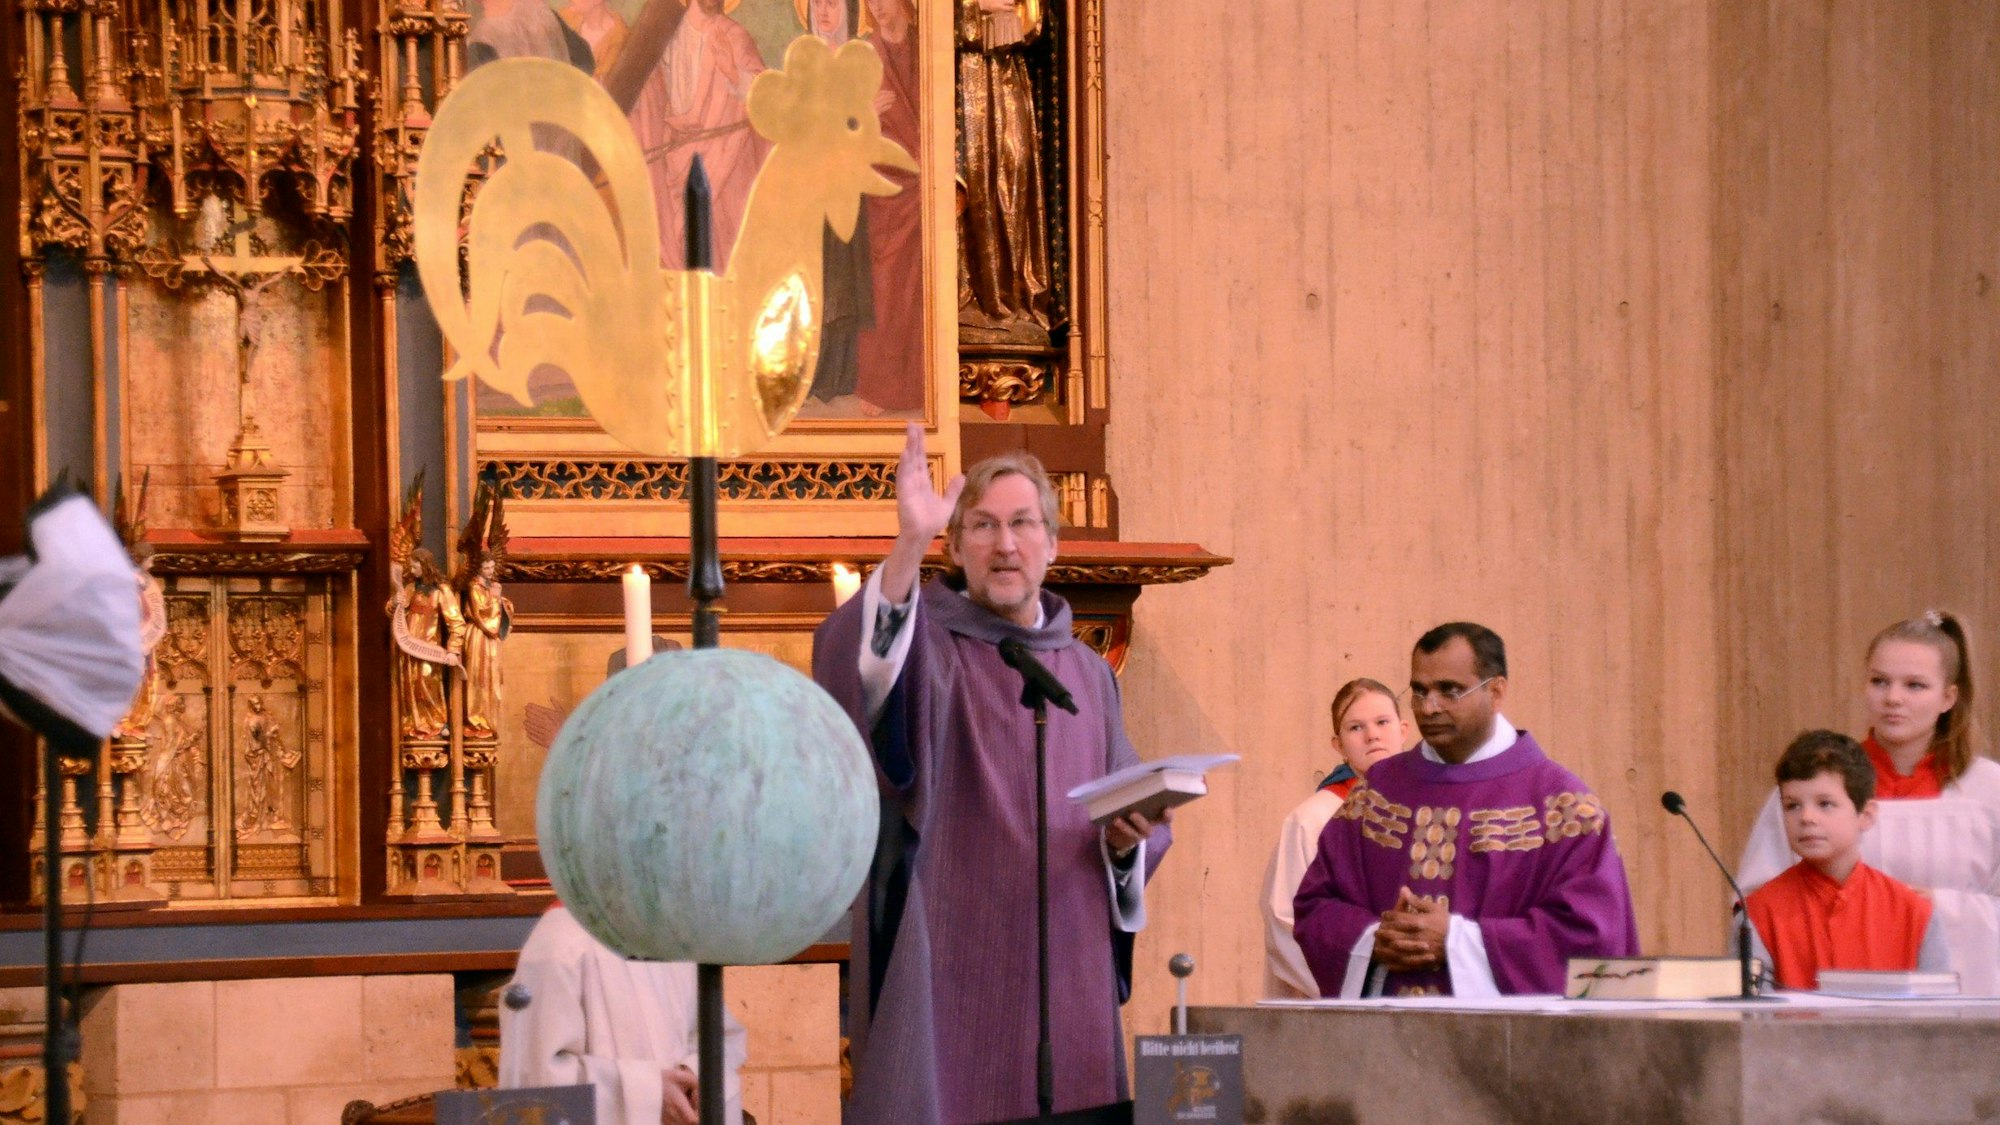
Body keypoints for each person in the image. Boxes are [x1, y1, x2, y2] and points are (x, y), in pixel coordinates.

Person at [813, 424, 1171, 1124]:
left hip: (1066, 961)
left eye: (1021, 523)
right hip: (952, 954)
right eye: (982, 525)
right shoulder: (932, 645)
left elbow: (1131, 814)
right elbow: (861, 668)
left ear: (1053, 543)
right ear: (955, 546)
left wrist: (1130, 844)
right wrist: (906, 544)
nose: (1005, 544)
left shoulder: (1090, 674)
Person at [1292, 623, 1639, 997]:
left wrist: (1458, 941)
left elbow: (1594, 941)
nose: (1429, 707)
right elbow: (1317, 906)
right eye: (1420, 691)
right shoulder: (1377, 792)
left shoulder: (1564, 808)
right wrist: (1371, 940)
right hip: (1385, 1043)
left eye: (1450, 691)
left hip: (1506, 1049)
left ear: (1496, 691)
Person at [1739, 611, 2000, 993]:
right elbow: (1757, 903)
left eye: (1914, 685)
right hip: (1825, 998)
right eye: (1880, 682)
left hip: (1969, 1002)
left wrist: (1935, 909)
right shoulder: (1819, 786)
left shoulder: (1988, 790)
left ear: (1948, 697)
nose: (1893, 698)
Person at [500, 904, 748, 1125]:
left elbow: (719, 1037)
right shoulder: (557, 942)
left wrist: (693, 1075)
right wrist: (650, 1095)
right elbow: (534, 1083)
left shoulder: (671, 936)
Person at [1744, 730, 1945, 990]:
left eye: (1825, 804)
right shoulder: (1759, 915)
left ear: (1866, 815)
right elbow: (1751, 1023)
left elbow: (1938, 1021)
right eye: (1792, 805)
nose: (1806, 818)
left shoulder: (1914, 913)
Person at [1260, 678, 1409, 999]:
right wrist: (1362, 992)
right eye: (1356, 727)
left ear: (1404, 730)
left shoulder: (1427, 813)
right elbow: (1286, 922)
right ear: (1338, 745)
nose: (1372, 735)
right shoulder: (1312, 821)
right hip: (1337, 1006)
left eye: (1383, 722)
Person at [626, 0, 770, 272]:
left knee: (724, 265)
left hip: (725, 169)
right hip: (672, 160)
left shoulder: (735, 37)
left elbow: (767, 100)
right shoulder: (665, 35)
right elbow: (646, 100)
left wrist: (733, 73)